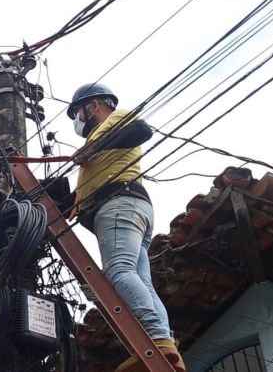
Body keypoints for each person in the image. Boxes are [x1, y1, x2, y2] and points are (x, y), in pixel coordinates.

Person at [67, 83, 185, 372]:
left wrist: (94, 146)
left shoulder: (115, 119)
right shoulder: (97, 142)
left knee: (119, 272)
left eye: (77, 111)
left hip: (120, 205)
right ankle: (167, 346)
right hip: (130, 209)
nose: (77, 119)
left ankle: (157, 338)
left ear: (94, 105)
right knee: (140, 280)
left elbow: (142, 131)